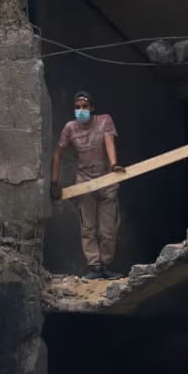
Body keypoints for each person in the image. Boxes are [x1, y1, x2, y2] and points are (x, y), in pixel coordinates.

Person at [51, 90, 125, 279]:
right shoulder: (70, 128)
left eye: (84, 107)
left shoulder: (104, 121)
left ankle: (106, 265)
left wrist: (114, 163)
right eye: (77, 108)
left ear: (92, 108)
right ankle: (94, 267)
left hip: (106, 180)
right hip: (84, 182)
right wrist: (54, 182)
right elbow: (58, 154)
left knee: (108, 230)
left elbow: (109, 142)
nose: (81, 111)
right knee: (88, 228)